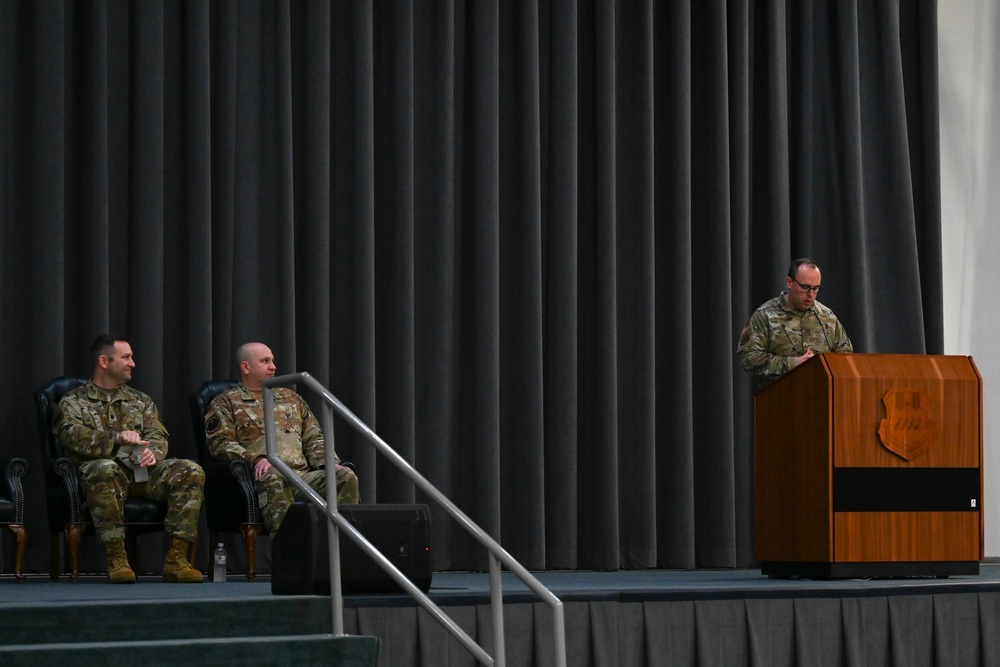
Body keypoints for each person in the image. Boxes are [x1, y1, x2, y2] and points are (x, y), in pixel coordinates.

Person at [52, 335, 205, 584]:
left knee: (190, 469)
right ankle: (117, 559)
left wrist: (152, 452)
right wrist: (116, 437)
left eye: (131, 357)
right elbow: (71, 436)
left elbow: (158, 435)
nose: (132, 363)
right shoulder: (74, 401)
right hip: (102, 478)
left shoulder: (141, 401)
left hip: (141, 474)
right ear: (104, 361)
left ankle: (177, 560)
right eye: (126, 357)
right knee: (105, 467)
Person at [204, 342, 360, 535]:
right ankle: (289, 555)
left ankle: (343, 551)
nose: (273, 366)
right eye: (265, 361)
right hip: (267, 475)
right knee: (274, 477)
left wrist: (328, 463)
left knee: (345, 476)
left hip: (303, 476)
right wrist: (256, 459)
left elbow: (314, 438)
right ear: (246, 367)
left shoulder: (291, 399)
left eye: (273, 361)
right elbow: (220, 444)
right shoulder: (226, 402)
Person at [738, 257, 853, 387]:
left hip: (822, 397)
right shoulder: (765, 315)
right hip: (779, 397)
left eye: (816, 288)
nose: (811, 294)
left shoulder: (827, 316)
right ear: (789, 282)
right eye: (805, 287)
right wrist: (793, 363)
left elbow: (845, 357)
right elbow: (749, 359)